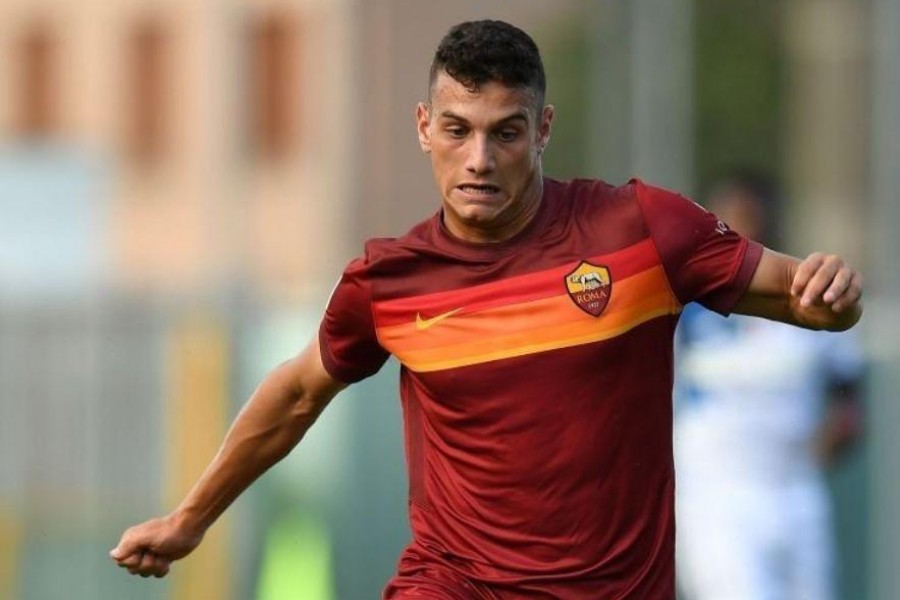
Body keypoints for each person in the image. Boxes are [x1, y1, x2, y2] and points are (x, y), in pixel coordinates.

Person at [110, 20, 864, 599]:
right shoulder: (389, 281)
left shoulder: (642, 229)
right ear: (422, 127)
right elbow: (298, 392)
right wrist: (191, 518)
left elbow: (807, 300)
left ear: (541, 129)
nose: (479, 159)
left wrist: (830, 295)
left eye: (505, 132)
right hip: (453, 581)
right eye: (457, 129)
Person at [674, 171, 864, 600]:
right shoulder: (684, 306)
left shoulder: (809, 301)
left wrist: (815, 453)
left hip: (797, 494)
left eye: (750, 218)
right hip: (717, 499)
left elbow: (849, 403)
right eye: (727, 220)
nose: (738, 232)